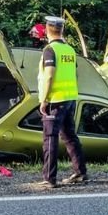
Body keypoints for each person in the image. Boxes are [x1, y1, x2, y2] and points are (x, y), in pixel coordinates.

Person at [36, 16, 87, 188]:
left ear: (47, 30)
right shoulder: (70, 50)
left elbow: (49, 75)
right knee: (70, 136)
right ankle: (80, 172)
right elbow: (75, 74)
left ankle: (49, 178)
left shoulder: (50, 50)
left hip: (55, 100)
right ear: (62, 30)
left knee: (50, 138)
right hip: (70, 98)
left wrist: (44, 99)